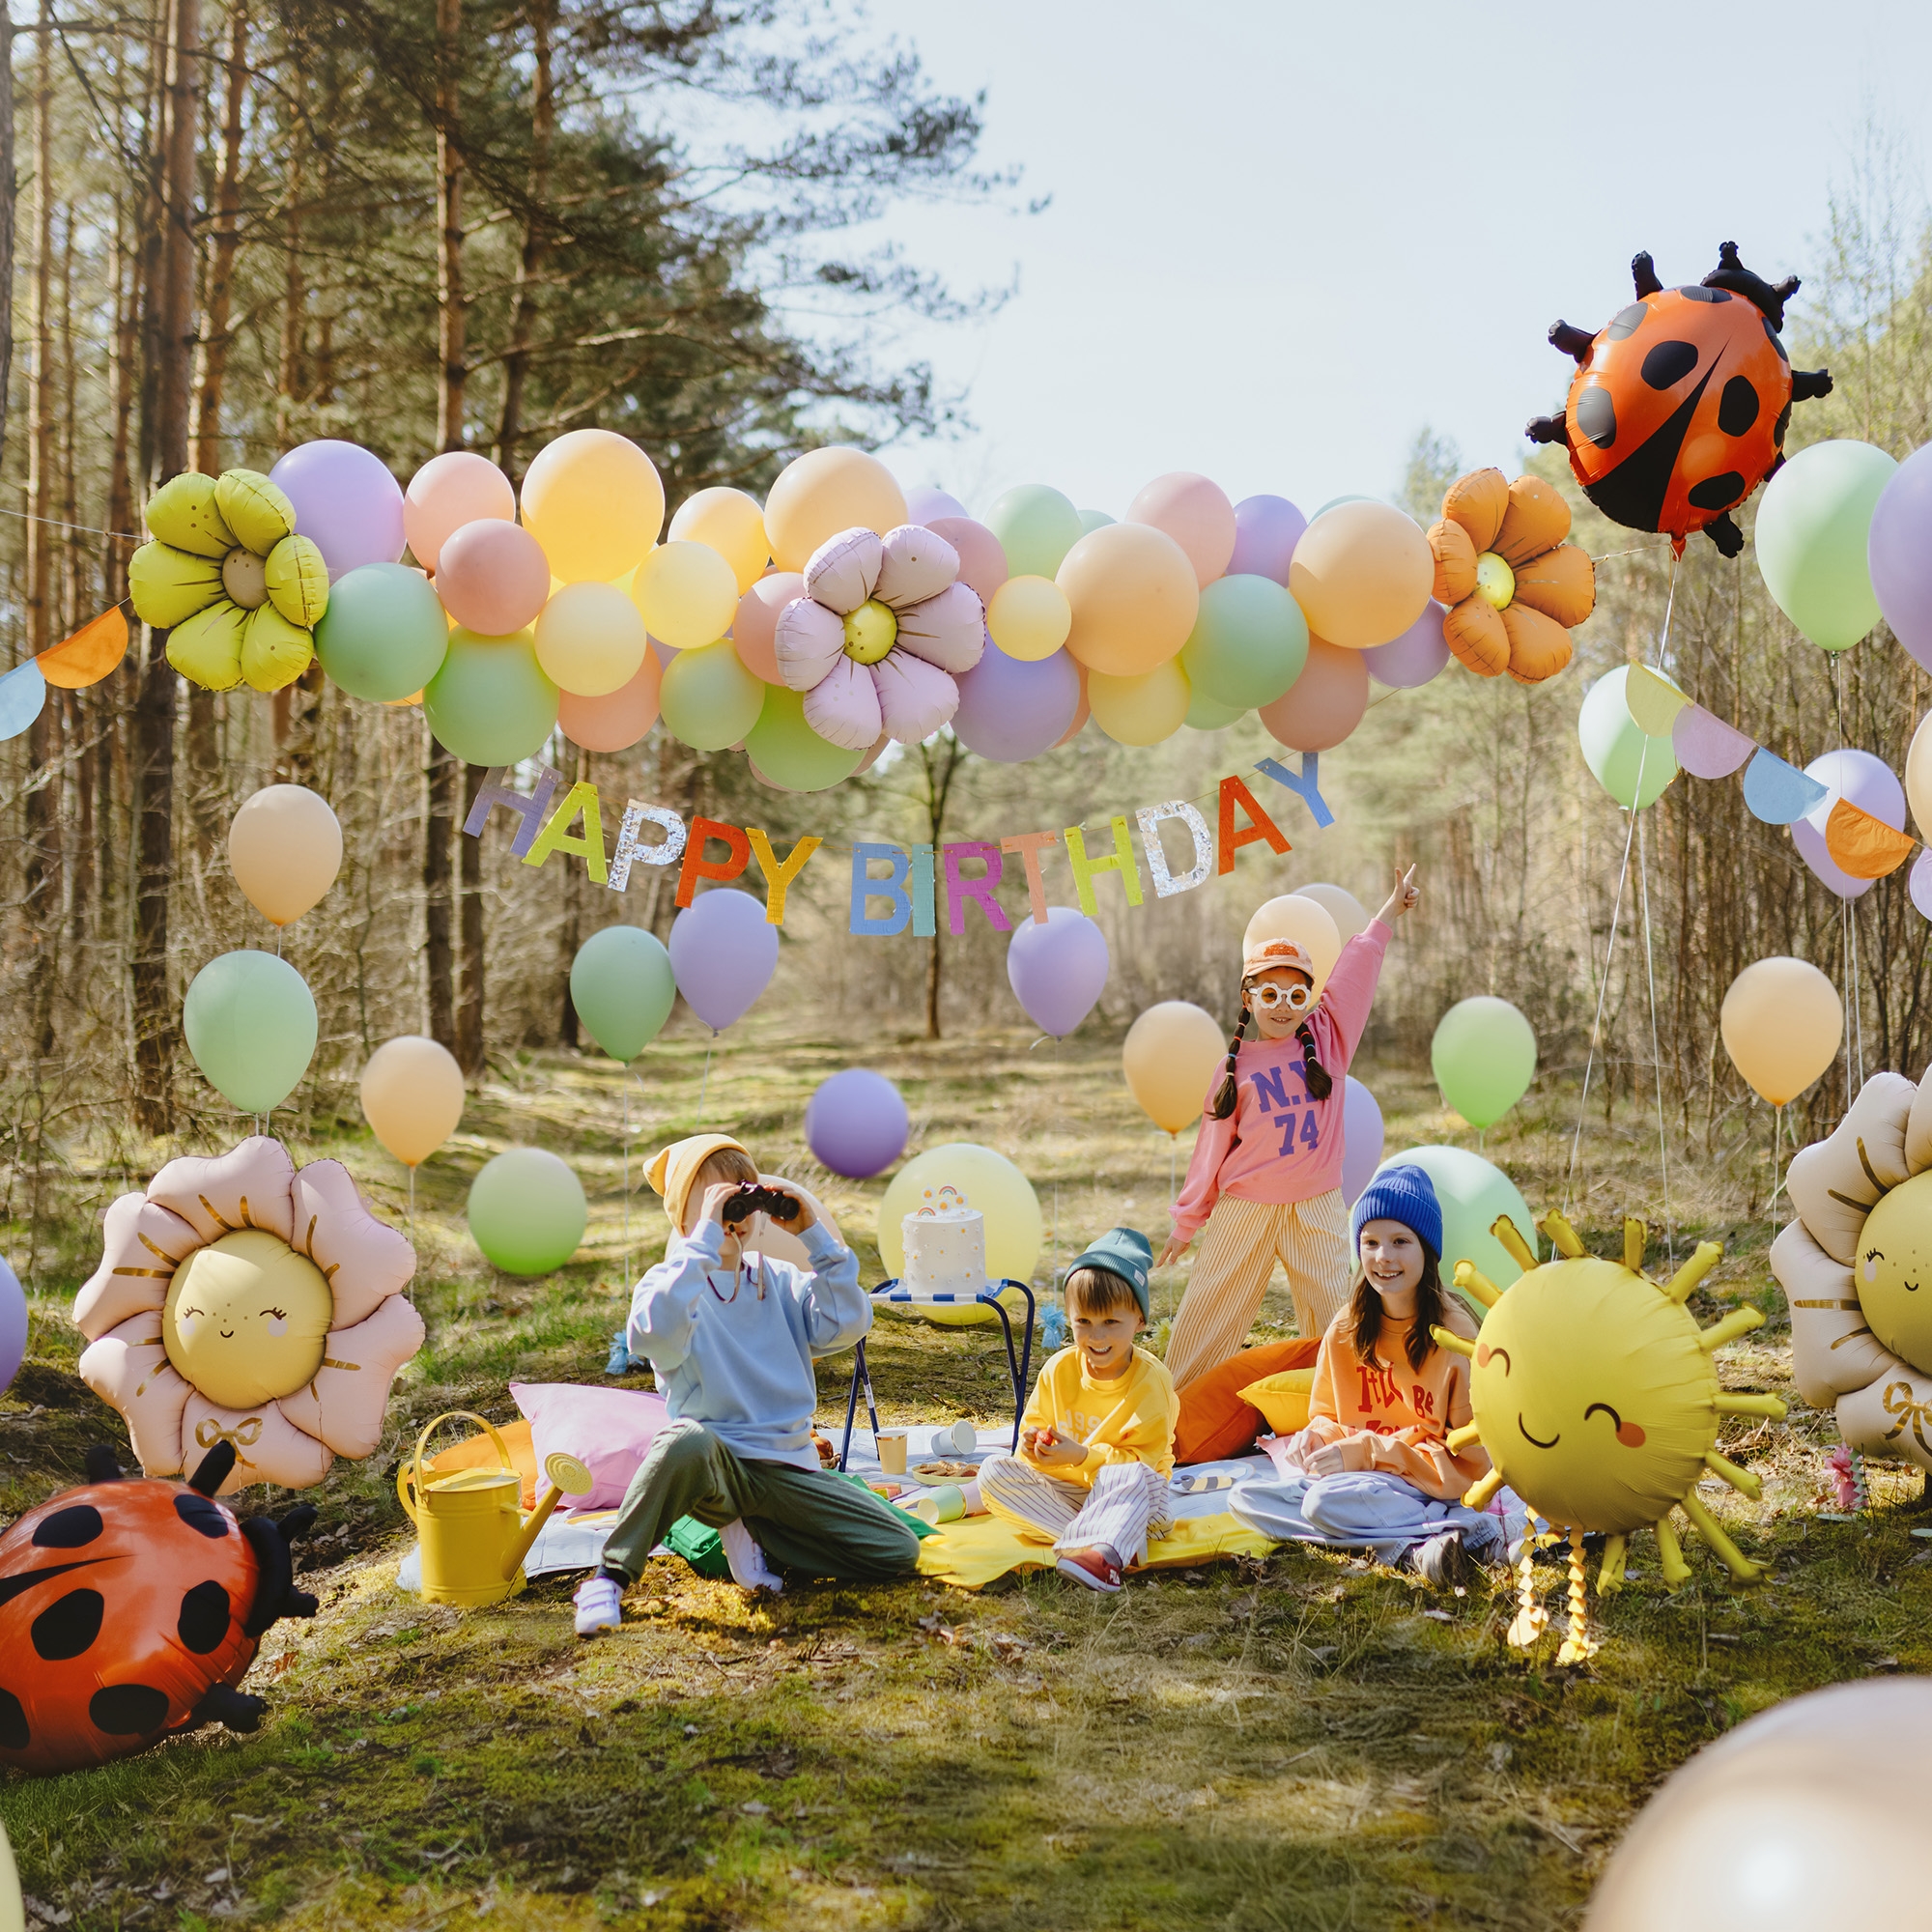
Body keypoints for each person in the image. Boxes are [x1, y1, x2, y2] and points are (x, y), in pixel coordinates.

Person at [572, 1133, 920, 1635]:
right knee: (682, 1440)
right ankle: (609, 1578)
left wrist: (815, 1237)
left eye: (743, 1198)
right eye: (717, 1203)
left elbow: (847, 1323)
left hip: (788, 1468)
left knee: (897, 1549)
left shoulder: (779, 1279)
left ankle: (762, 1537)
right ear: (686, 1221)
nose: (732, 1215)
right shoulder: (670, 1284)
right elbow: (654, 1334)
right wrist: (701, 1246)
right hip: (715, 1466)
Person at [1157, 866, 1420, 1389]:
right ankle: (1175, 1408)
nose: (1282, 1007)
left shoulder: (1329, 1039)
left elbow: (1356, 972)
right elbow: (1210, 1151)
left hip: (1316, 1204)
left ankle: (1351, 1404)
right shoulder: (1234, 1068)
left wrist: (1388, 913)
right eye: (1270, 994)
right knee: (1210, 1309)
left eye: (1295, 996)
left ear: (1310, 1000)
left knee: (1336, 1313)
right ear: (1248, 998)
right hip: (1245, 1207)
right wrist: (1186, 1222)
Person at [1227, 1164, 1512, 1586]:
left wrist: (1366, 1452)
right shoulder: (1346, 1327)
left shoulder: (1453, 1334)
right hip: (1359, 1482)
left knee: (1321, 1504)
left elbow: (1471, 1460)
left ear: (1427, 1250)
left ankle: (1425, 1539)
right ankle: (1434, 1544)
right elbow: (1327, 1416)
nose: (1384, 1257)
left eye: (1401, 1242)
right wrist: (1317, 1438)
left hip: (1428, 1481)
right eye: (1371, 1242)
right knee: (1245, 1497)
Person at [976, 1228, 1176, 1593]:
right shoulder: (1059, 1369)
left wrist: (1082, 1456)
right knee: (992, 1472)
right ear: (1070, 1318)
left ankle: (1107, 1543)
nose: (1096, 1337)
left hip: (1133, 1500)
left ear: (1139, 1320)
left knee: (1132, 1476)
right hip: (1067, 1494)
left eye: (1111, 1322)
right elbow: (1031, 1438)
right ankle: (1101, 1549)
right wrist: (1034, 1445)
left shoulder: (1151, 1381)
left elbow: (1143, 1463)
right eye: (1084, 1322)